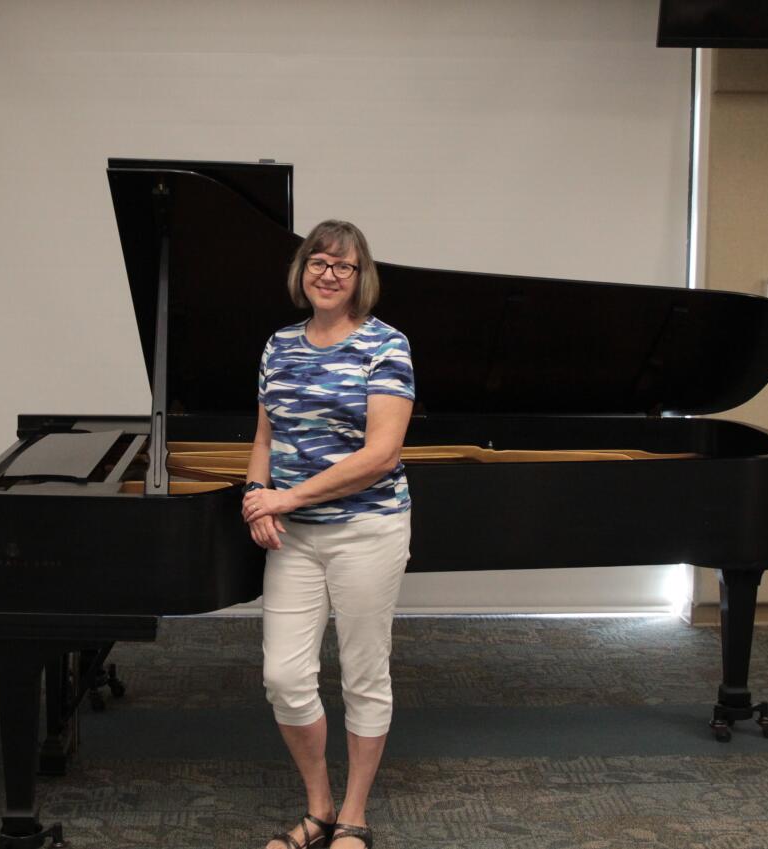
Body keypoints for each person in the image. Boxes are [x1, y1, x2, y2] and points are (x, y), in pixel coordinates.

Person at [243, 221, 415, 849]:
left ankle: (354, 816)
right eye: (318, 261)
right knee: (284, 677)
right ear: (303, 270)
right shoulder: (278, 345)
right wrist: (255, 498)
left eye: (344, 266)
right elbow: (265, 438)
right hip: (294, 538)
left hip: (368, 529)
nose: (329, 274)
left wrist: (284, 498)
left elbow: (381, 455)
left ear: (360, 277)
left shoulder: (385, 345)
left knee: (364, 674)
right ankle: (318, 808)